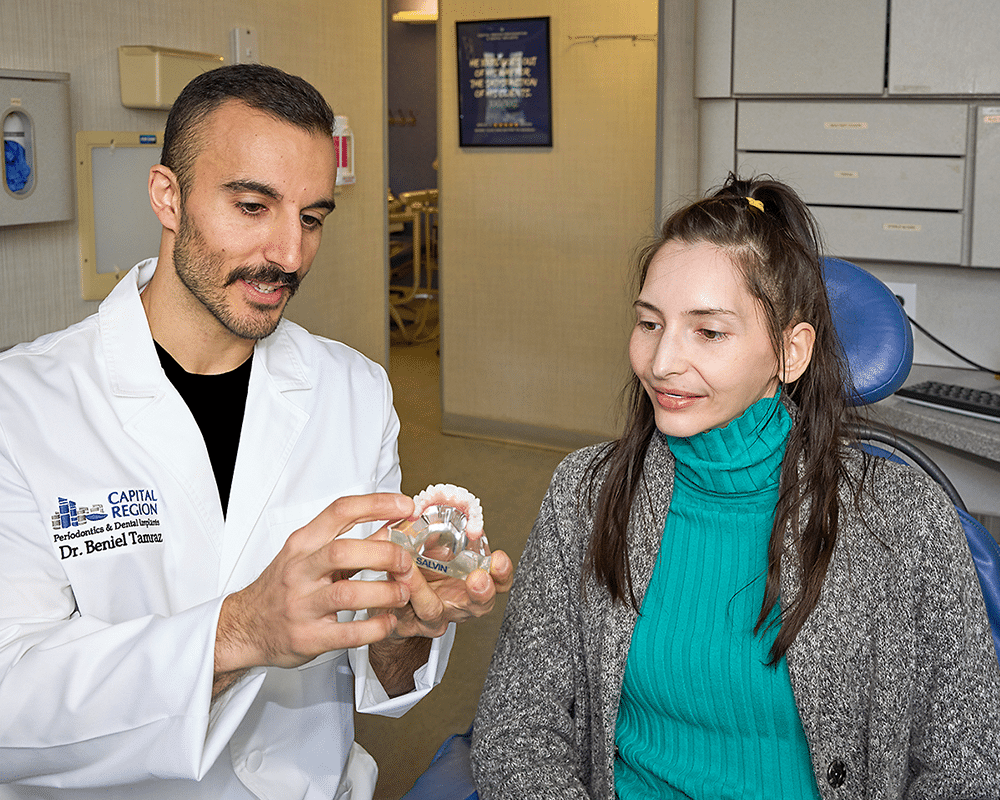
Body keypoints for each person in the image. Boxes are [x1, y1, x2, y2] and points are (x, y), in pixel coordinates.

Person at [0, 64, 511, 799]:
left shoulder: (354, 391)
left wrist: (408, 624)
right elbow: (12, 703)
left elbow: (380, 668)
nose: (289, 254)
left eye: (311, 217)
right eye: (252, 206)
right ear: (166, 197)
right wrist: (241, 631)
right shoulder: (23, 407)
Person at [471, 175, 1000, 798]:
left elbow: (965, 766)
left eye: (709, 332)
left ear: (790, 351)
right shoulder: (585, 495)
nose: (661, 361)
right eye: (649, 323)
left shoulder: (903, 519)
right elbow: (517, 729)